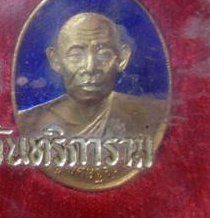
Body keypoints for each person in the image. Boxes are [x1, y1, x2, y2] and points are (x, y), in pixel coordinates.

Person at [17, 12, 165, 139]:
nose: (90, 67)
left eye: (103, 55)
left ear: (122, 58)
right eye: (76, 55)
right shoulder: (29, 122)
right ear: (55, 60)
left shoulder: (153, 116)